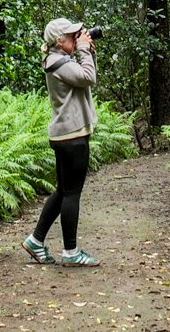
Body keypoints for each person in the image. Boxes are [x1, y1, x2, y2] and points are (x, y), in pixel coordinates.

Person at [23, 17, 99, 267]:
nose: (77, 39)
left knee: (63, 191)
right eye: (72, 36)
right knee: (72, 194)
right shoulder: (59, 63)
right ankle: (71, 252)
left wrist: (87, 52)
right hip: (72, 136)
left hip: (66, 135)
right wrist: (85, 51)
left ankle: (36, 240)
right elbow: (88, 77)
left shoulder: (59, 60)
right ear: (59, 41)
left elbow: (85, 76)